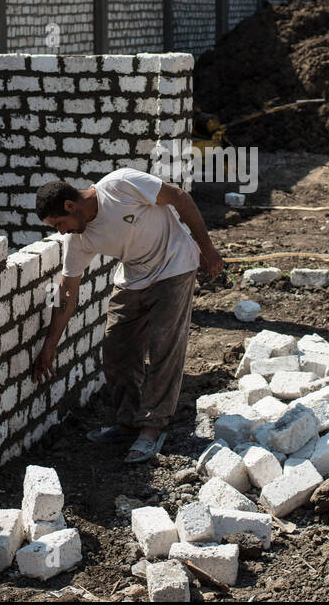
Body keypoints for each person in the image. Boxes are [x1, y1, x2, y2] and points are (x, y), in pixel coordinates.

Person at [31, 168, 224, 464]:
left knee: (164, 346)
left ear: (71, 206)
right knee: (116, 347)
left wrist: (207, 248)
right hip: (134, 276)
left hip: (174, 265)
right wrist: (49, 346)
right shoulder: (77, 239)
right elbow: (66, 293)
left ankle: (151, 427)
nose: (60, 232)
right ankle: (127, 423)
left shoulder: (120, 185)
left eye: (59, 223)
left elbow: (179, 197)